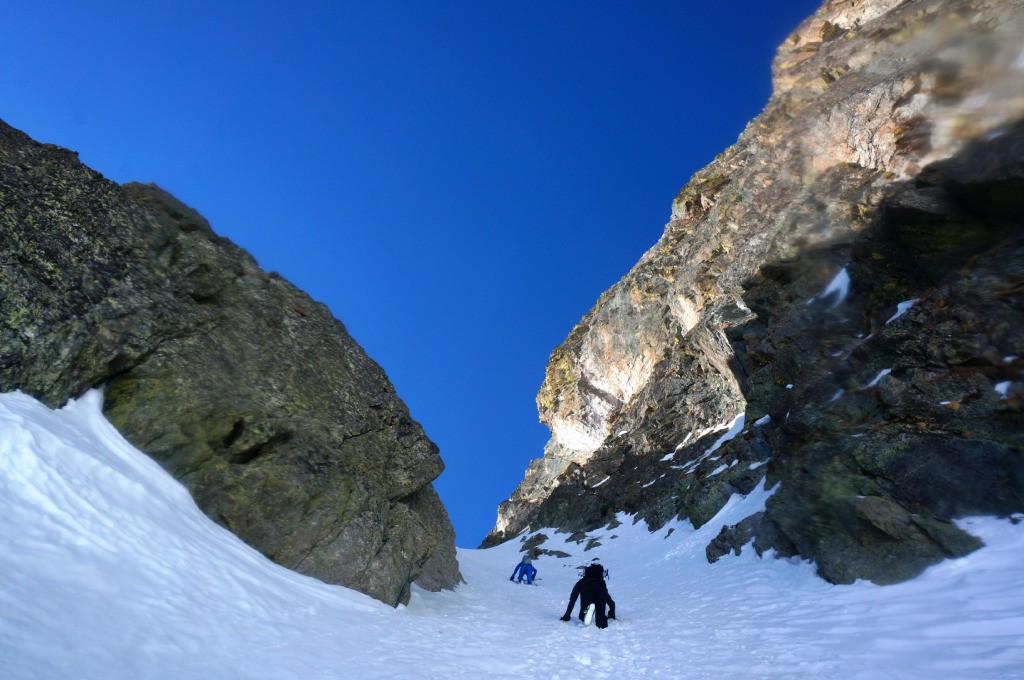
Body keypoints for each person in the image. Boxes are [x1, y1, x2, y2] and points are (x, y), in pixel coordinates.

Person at [560, 563, 616, 628]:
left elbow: (573, 599)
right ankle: (601, 621)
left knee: (583, 614)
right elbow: (611, 603)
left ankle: (586, 613)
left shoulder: (582, 581)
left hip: (587, 590)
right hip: (601, 590)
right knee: (601, 614)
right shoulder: (601, 583)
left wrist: (566, 616)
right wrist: (612, 616)